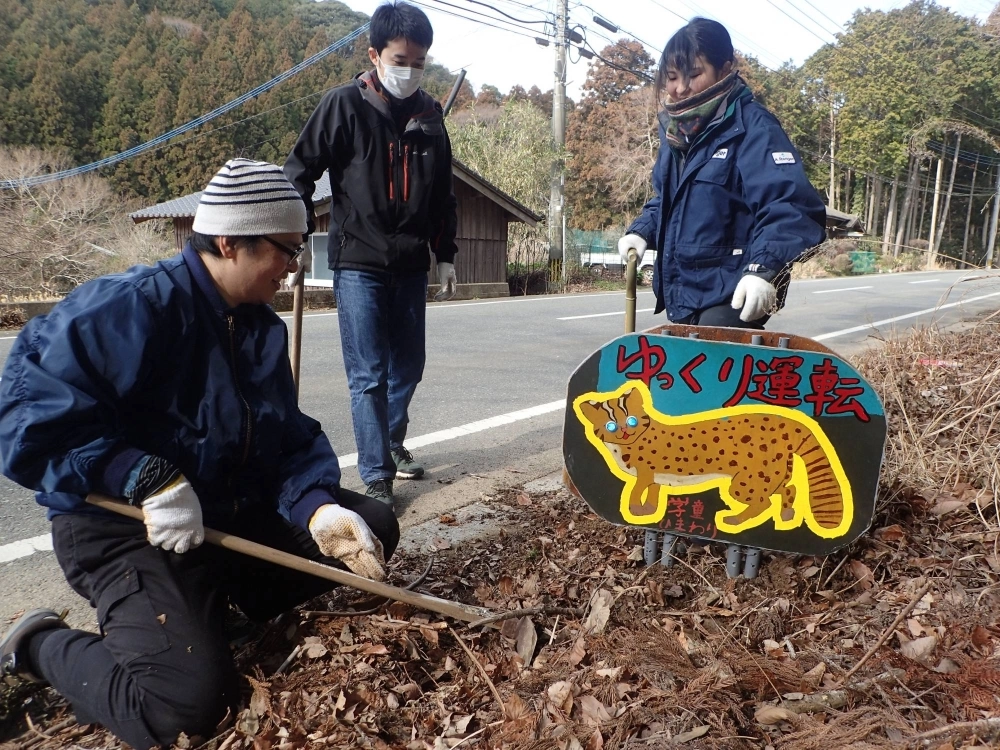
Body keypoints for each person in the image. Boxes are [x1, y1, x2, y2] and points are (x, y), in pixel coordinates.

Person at [0, 159, 400, 750]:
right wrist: (142, 476)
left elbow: (284, 437)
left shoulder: (261, 329)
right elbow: (24, 422)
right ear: (228, 241)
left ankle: (221, 604)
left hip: (222, 512)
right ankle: (33, 643)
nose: (295, 268)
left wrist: (316, 506)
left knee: (373, 525)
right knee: (185, 708)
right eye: (286, 250)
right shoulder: (130, 307)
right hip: (121, 526)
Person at [284, 0, 458, 508]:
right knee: (368, 375)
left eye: (419, 63)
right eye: (401, 60)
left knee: (409, 366)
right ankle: (376, 473)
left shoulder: (430, 117)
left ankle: (390, 439)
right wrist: (291, 240)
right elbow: (299, 171)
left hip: (409, 263)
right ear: (375, 54)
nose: (410, 71)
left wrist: (444, 253)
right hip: (357, 259)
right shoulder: (344, 105)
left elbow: (444, 193)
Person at [619, 18, 826, 330]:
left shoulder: (755, 129)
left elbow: (790, 206)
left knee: (713, 373)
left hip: (734, 289)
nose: (680, 88)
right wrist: (642, 230)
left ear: (726, 68)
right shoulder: (677, 134)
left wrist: (762, 269)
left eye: (694, 74)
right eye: (672, 77)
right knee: (683, 374)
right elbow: (669, 201)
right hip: (686, 288)